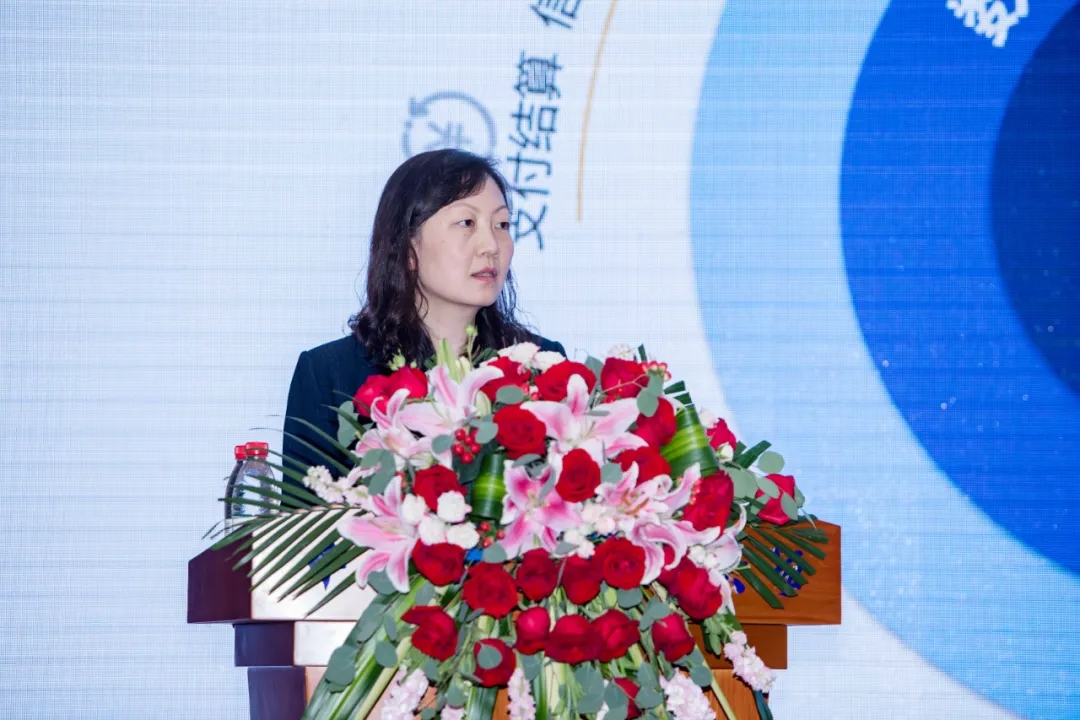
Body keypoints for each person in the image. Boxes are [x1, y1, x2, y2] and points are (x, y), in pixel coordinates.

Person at [282, 149, 565, 473]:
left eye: (502, 224)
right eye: (466, 222)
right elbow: (304, 504)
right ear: (407, 247)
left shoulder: (543, 367)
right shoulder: (331, 376)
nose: (491, 245)